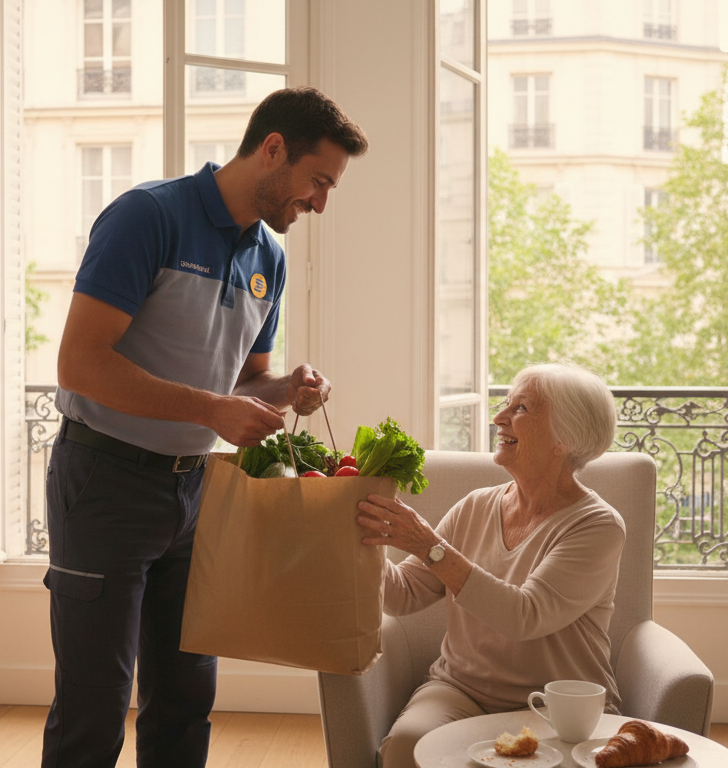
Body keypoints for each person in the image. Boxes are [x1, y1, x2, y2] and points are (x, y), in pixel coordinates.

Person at [42, 86, 369, 768]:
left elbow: (242, 383)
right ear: (272, 149)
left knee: (187, 698)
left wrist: (289, 390)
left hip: (195, 497)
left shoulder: (268, 260)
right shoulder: (148, 216)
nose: (320, 202)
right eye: (318, 181)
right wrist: (209, 410)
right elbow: (79, 363)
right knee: (95, 707)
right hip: (104, 482)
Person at [355, 363, 625, 768]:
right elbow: (405, 594)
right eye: (506, 404)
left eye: (522, 408)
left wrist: (431, 546)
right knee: (406, 746)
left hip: (558, 702)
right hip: (460, 690)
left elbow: (524, 616)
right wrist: (356, 536)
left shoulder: (598, 526)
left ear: (564, 439)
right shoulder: (477, 505)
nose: (499, 417)